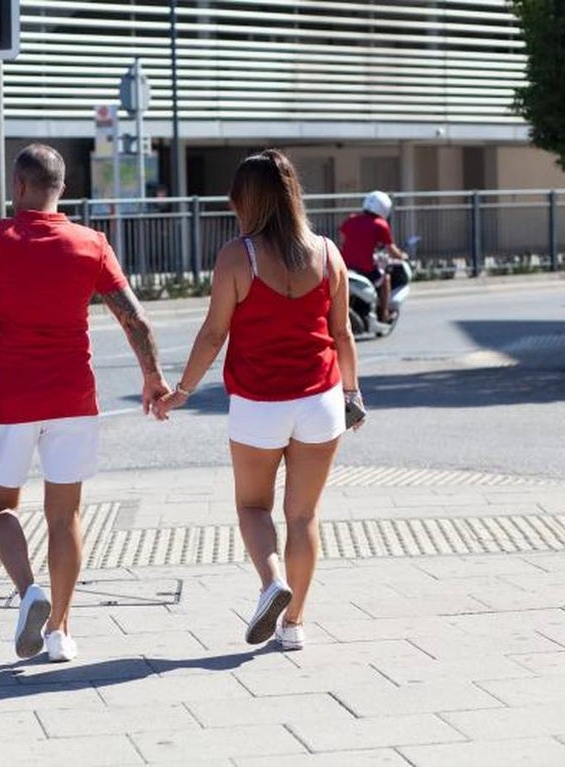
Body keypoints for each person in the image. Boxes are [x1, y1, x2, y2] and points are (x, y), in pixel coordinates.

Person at [0, 143, 170, 663]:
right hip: (73, 398)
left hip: (8, 402)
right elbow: (135, 318)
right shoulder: (91, 242)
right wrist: (152, 377)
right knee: (66, 517)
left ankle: (27, 591)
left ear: (19, 186)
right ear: (61, 190)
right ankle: (59, 631)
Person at [153, 149, 363, 650]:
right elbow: (343, 333)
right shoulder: (329, 253)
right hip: (320, 399)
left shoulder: (238, 255)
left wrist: (181, 390)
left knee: (252, 507)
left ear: (245, 200)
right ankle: (294, 625)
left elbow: (212, 334)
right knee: (304, 516)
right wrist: (353, 392)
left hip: (258, 403)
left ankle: (272, 583)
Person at [338, 190, 406, 323]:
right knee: (385, 279)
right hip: (365, 269)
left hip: (345, 267)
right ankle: (385, 313)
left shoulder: (351, 220)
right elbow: (391, 249)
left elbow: (342, 241)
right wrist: (402, 256)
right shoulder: (380, 225)